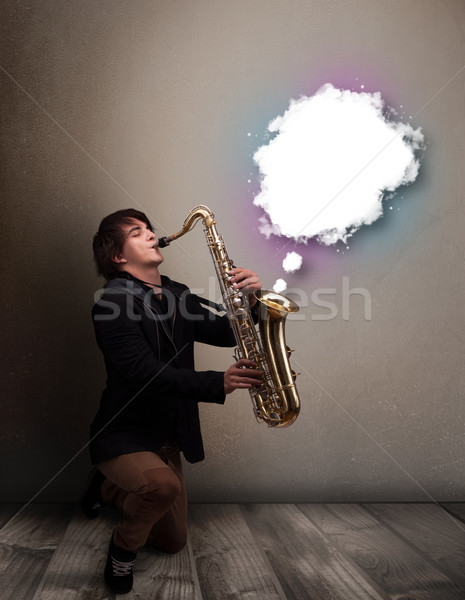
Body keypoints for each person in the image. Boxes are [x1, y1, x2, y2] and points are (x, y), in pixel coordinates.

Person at [80, 208, 262, 594]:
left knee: (173, 541)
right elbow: (143, 374)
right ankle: (121, 552)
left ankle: (106, 489)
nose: (150, 234)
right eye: (136, 232)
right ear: (117, 256)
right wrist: (219, 382)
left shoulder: (176, 293)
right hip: (124, 434)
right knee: (162, 488)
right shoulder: (111, 303)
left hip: (167, 436)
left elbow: (228, 333)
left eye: (149, 229)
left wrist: (252, 298)